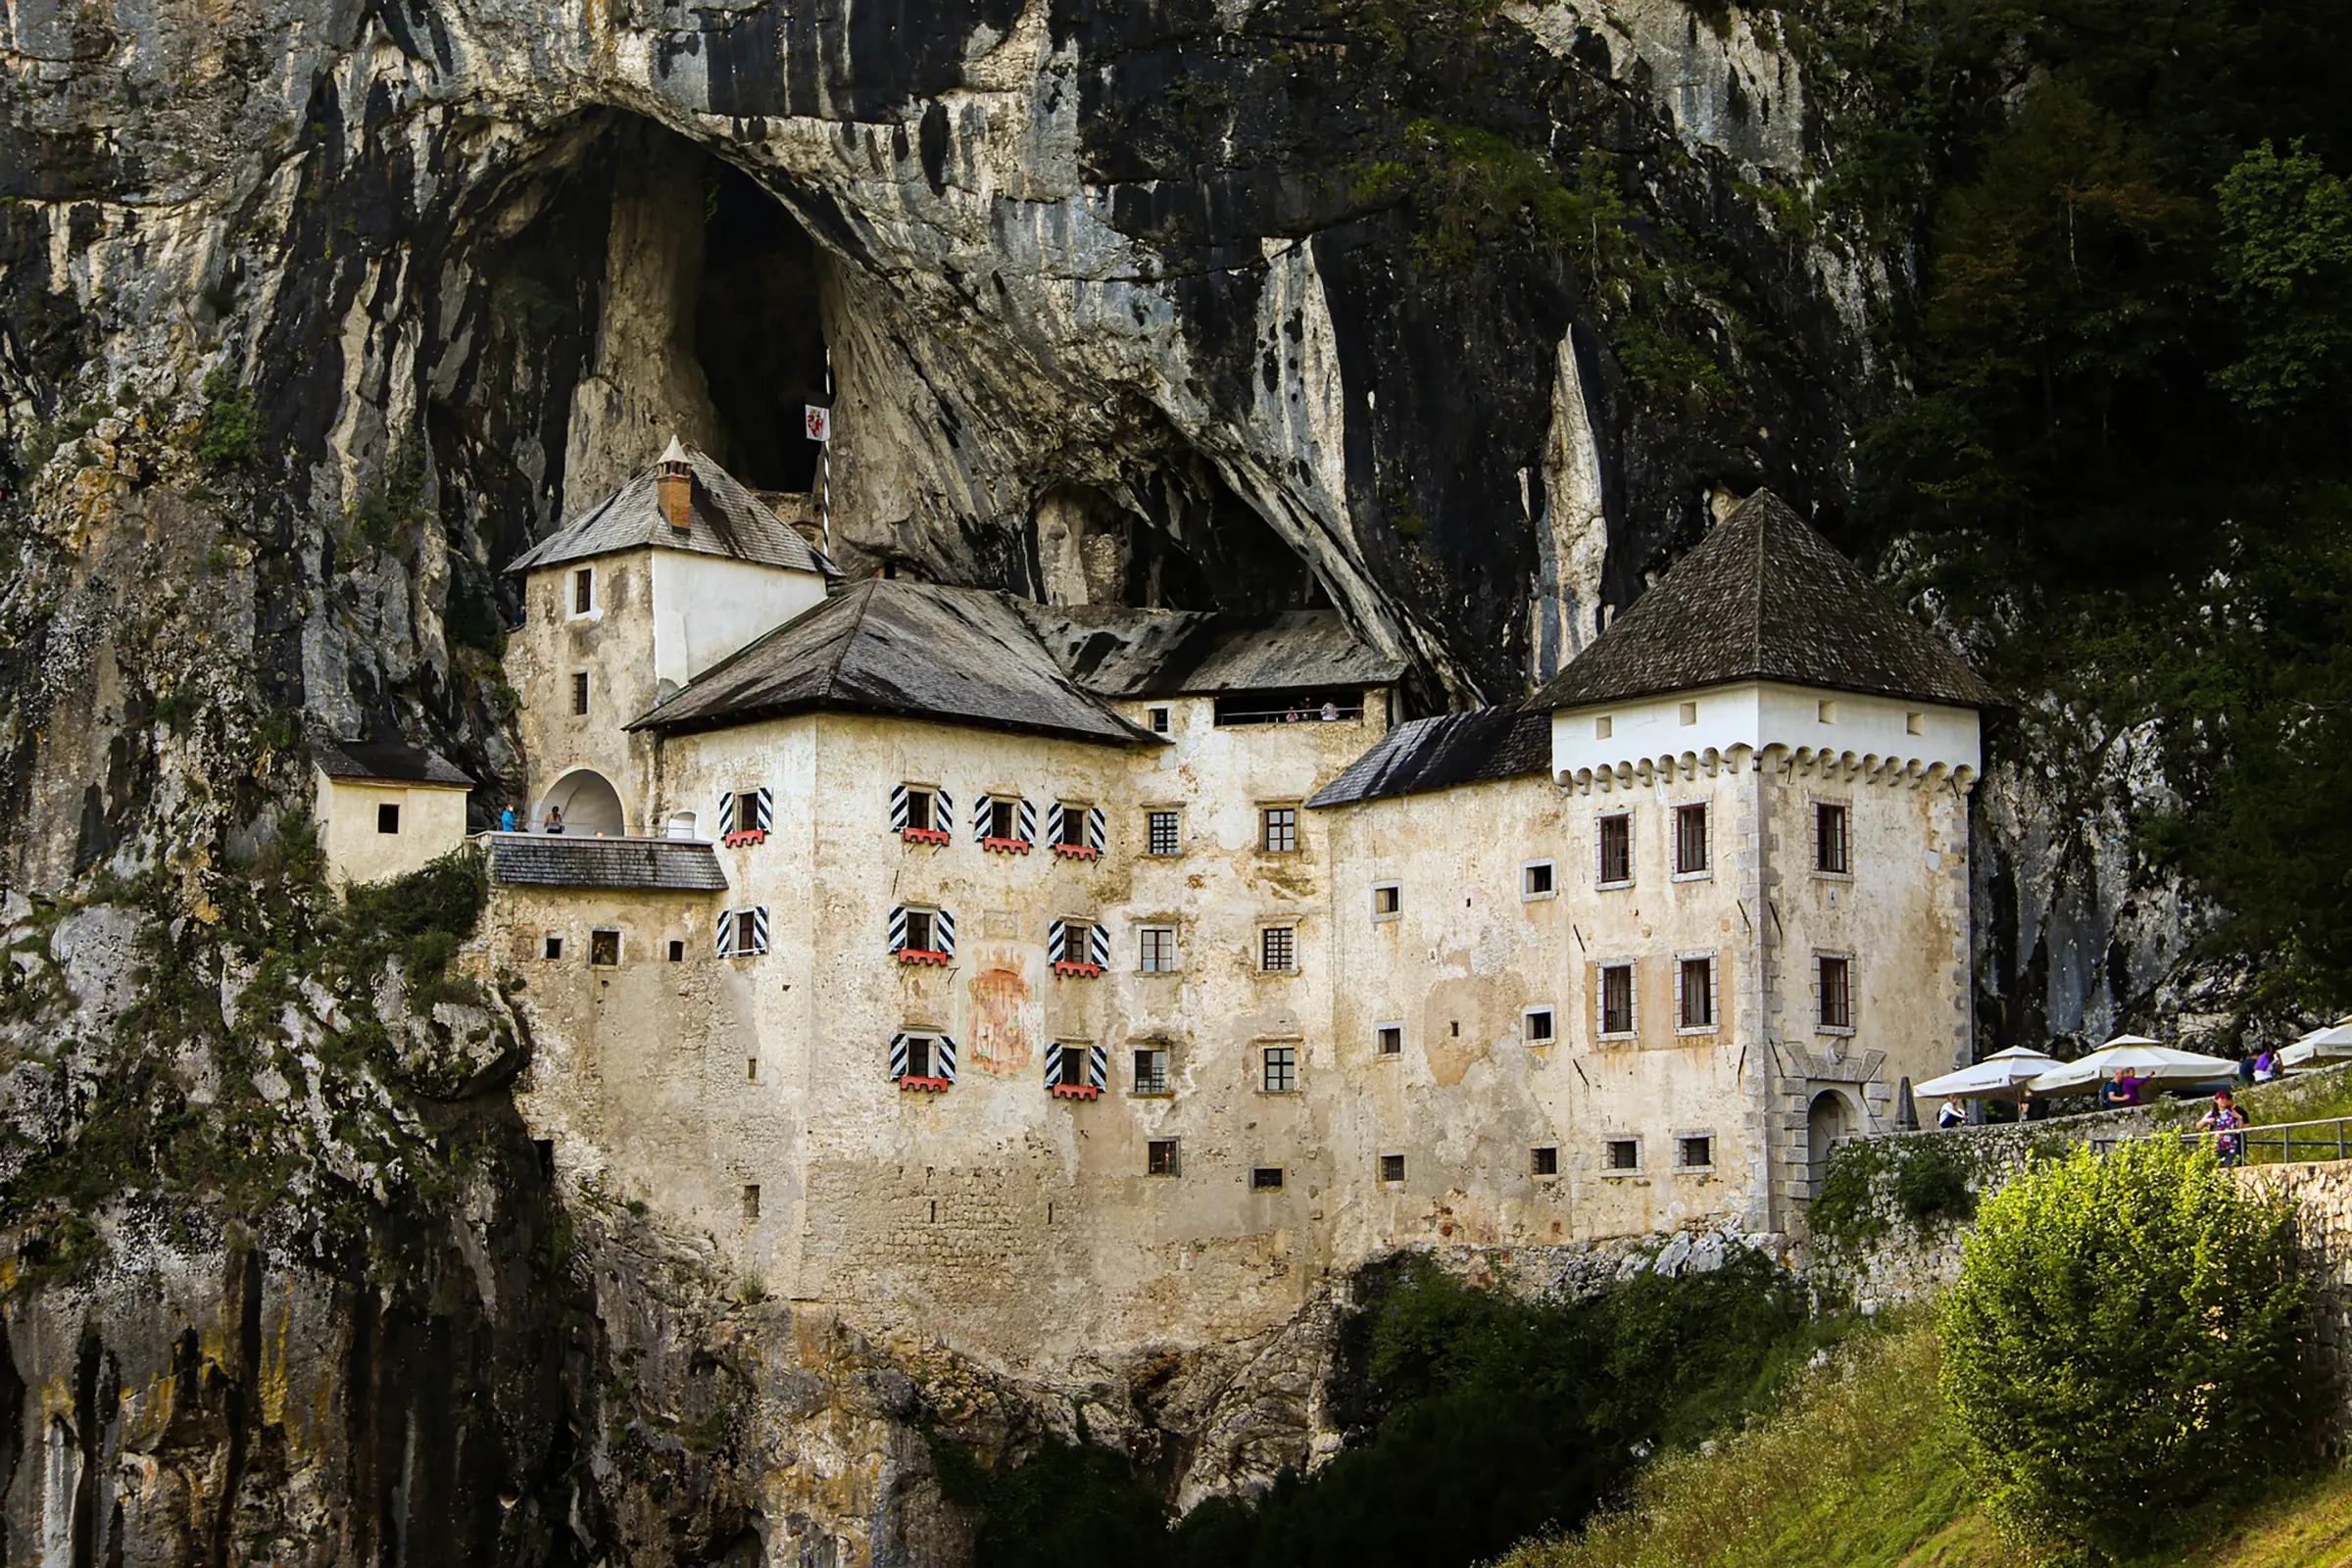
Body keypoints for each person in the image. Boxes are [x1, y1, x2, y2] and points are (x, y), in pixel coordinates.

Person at [2197, 1089, 2252, 1167]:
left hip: (2231, 1144)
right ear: (2216, 1100)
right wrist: (2207, 1121)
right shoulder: (2212, 1114)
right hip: (2216, 1144)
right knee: (2214, 1165)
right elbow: (2198, 1126)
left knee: (2229, 1165)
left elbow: (2240, 1129)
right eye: (2221, 1098)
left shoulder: (2233, 1112)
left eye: (2226, 1098)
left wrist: (2239, 1118)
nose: (2224, 1101)